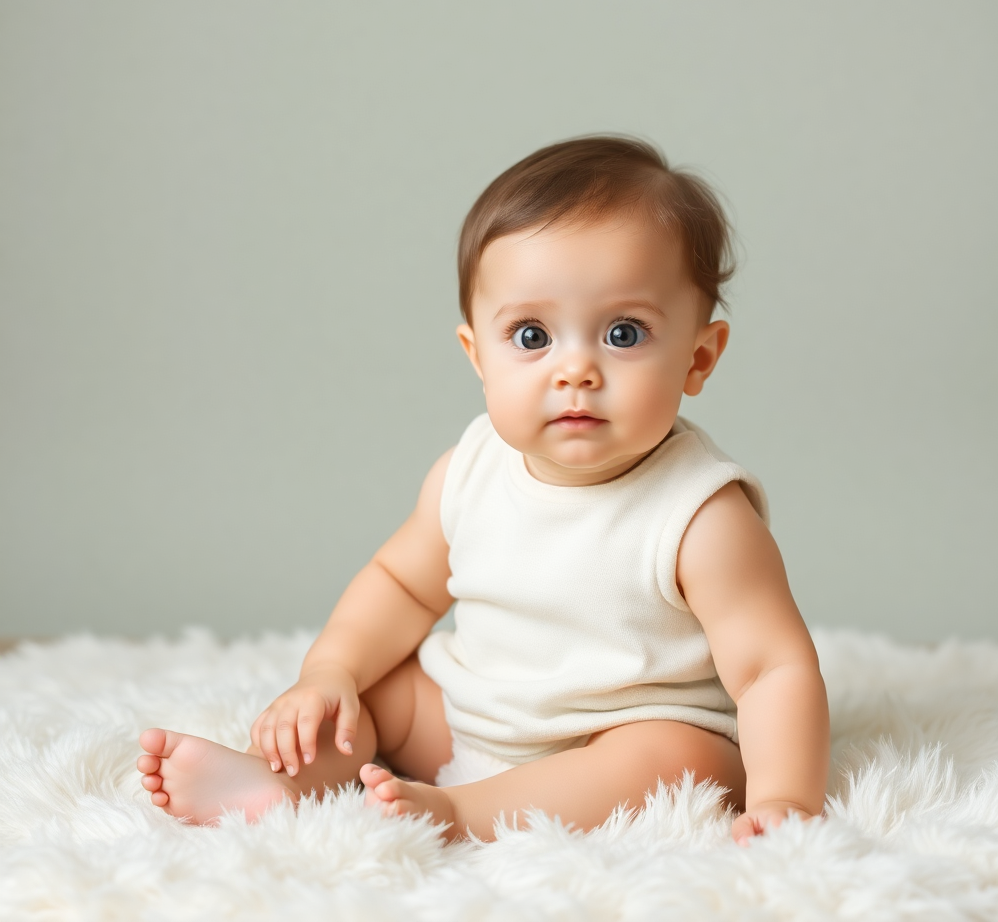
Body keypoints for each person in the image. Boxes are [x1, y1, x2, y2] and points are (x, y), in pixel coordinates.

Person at [137, 136, 830, 844]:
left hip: (612, 746)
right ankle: (277, 785)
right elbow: (402, 587)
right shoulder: (468, 470)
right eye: (532, 335)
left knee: (681, 757)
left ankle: (464, 814)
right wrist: (329, 672)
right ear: (478, 356)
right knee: (371, 691)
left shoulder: (701, 515)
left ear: (699, 356)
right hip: (472, 720)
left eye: (624, 333)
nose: (576, 371)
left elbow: (772, 669)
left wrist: (786, 799)